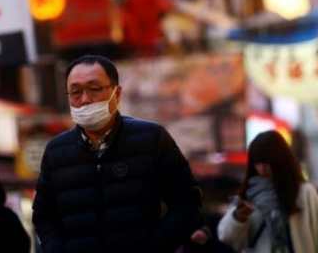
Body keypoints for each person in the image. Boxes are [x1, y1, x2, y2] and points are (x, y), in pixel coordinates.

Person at [32, 55, 202, 253]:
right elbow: (44, 216)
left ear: (117, 93)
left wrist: (155, 246)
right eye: (75, 92)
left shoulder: (151, 139)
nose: (85, 99)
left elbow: (186, 202)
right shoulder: (56, 151)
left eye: (94, 89)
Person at [217, 131, 318, 253]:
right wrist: (238, 217)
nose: (262, 168)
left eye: (267, 162)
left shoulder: (303, 192)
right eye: (258, 162)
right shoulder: (250, 195)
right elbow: (226, 237)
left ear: (280, 160)